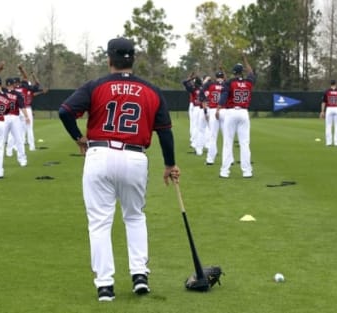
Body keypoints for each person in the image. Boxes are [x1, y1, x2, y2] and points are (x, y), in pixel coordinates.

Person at [59, 37, 180, 302]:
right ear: (133, 59)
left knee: (100, 223)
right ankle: (139, 276)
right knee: (135, 216)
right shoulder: (151, 90)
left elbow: (65, 111)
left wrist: (78, 138)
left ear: (108, 59)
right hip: (135, 157)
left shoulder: (96, 86)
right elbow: (165, 133)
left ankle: (105, 286)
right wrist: (170, 164)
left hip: (99, 154)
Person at [218, 54, 256, 178]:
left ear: (234, 72)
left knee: (228, 142)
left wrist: (218, 109)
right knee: (245, 143)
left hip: (231, 112)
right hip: (244, 113)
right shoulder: (248, 83)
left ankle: (225, 171)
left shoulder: (230, 82)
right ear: (242, 72)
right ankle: (247, 171)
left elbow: (223, 97)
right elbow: (251, 73)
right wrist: (245, 60)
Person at [200, 70, 226, 165]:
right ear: (223, 77)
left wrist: (205, 108)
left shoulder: (210, 85)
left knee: (213, 136)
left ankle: (210, 159)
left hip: (213, 110)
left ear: (215, 77)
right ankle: (229, 159)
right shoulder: (226, 85)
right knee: (227, 137)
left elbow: (202, 92)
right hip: (224, 110)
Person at [182, 75, 207, 155]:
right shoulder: (203, 88)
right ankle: (202, 144)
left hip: (197, 108)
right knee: (203, 128)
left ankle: (195, 143)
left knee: (196, 127)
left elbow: (184, 83)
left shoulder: (194, 89)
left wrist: (190, 78)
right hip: (204, 108)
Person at [320, 79, 337, 146]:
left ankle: (329, 142)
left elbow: (323, 102)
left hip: (329, 109)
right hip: (336, 108)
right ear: (335, 84)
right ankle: (336, 142)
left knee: (328, 126)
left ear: (330, 84)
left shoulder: (327, 91)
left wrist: (322, 111)